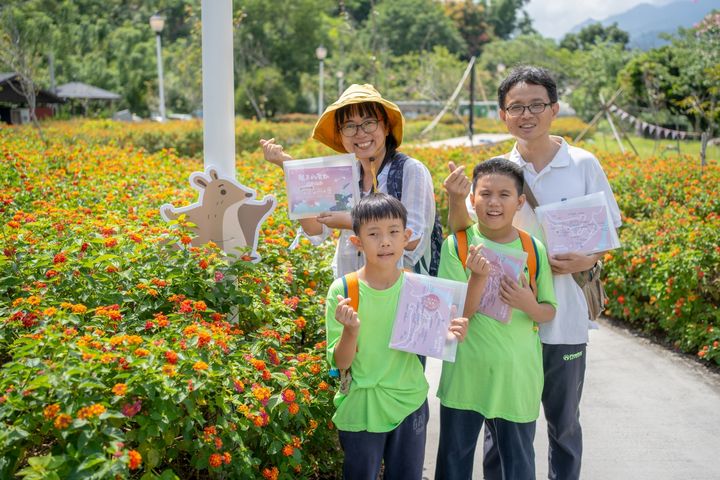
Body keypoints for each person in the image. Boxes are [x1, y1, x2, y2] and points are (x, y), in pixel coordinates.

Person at [444, 65, 622, 480]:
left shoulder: (583, 164)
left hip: (564, 320)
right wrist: (454, 199)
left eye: (536, 105)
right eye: (516, 107)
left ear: (554, 108)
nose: (527, 114)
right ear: (503, 114)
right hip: (503, 324)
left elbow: (607, 232)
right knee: (499, 423)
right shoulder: (496, 170)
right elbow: (466, 233)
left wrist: (588, 260)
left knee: (563, 425)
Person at [325, 193, 469, 479]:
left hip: (409, 404)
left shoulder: (420, 290)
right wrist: (351, 330)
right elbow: (341, 363)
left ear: (407, 237)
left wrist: (452, 335)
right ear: (357, 242)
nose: (385, 241)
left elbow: (433, 340)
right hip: (361, 409)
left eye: (393, 232)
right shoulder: (343, 291)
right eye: (374, 234)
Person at [435, 158, 557, 480]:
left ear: (519, 202)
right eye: (485, 193)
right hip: (465, 375)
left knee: (517, 465)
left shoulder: (533, 249)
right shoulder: (458, 246)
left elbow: (548, 311)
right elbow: (455, 315)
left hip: (517, 378)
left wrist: (527, 303)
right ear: (471, 199)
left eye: (504, 195)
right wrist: (477, 278)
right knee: (453, 462)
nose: (493, 202)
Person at [260, 83, 439, 279]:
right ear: (341, 134)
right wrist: (290, 169)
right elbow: (315, 229)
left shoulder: (410, 170)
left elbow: (413, 239)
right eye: (349, 126)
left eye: (369, 122)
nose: (360, 133)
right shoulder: (343, 176)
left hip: (398, 294)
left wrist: (352, 222)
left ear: (386, 127)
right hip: (351, 288)